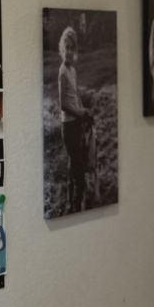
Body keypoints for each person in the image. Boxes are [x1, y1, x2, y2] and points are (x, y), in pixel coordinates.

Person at [58, 25, 90, 213]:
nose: (69, 51)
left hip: (76, 123)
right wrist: (78, 113)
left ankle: (70, 201)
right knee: (79, 169)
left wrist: (83, 109)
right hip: (68, 126)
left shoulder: (73, 71)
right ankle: (77, 205)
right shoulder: (62, 71)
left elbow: (75, 96)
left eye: (72, 48)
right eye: (66, 47)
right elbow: (63, 104)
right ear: (62, 49)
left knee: (73, 163)